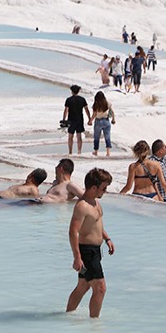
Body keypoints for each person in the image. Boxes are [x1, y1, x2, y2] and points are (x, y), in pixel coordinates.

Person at [66, 168, 114, 318]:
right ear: (94, 187)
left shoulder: (95, 203)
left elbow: (97, 224)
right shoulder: (82, 206)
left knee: (83, 285)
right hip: (86, 252)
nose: (105, 191)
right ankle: (94, 324)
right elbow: (73, 231)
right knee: (100, 288)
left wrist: (107, 238)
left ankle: (68, 315)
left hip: (95, 250)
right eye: (103, 188)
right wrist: (77, 257)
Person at [62, 85, 91, 155]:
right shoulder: (82, 99)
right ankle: (79, 151)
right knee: (79, 136)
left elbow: (66, 110)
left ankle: (70, 151)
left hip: (71, 120)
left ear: (71, 91)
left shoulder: (68, 100)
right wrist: (89, 118)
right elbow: (86, 110)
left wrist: (63, 119)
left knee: (70, 136)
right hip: (80, 119)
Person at [87, 91, 116, 157]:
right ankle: (108, 152)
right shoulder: (107, 102)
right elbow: (112, 111)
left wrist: (90, 121)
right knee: (107, 137)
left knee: (96, 137)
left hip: (98, 121)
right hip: (106, 121)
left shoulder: (96, 104)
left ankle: (96, 152)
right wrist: (113, 119)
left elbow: (94, 114)